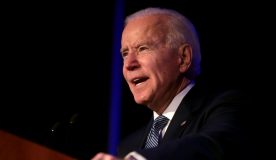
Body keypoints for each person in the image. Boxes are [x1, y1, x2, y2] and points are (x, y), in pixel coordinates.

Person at [92, 7, 255, 160]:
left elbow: (216, 144)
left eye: (143, 48)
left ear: (183, 58)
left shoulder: (227, 107)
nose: (129, 64)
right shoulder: (128, 147)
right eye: (125, 54)